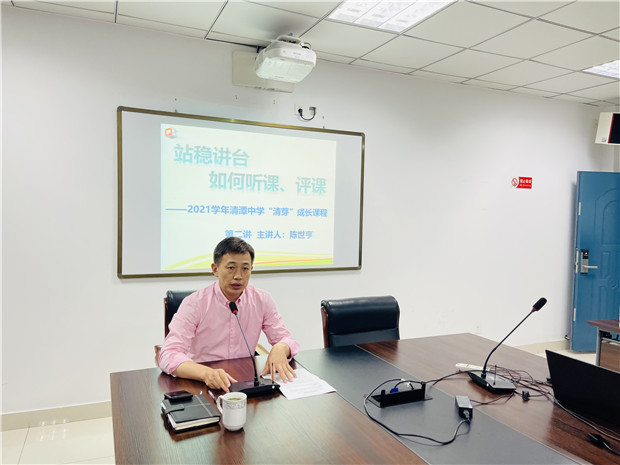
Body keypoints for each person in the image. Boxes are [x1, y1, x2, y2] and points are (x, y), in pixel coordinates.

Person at [158, 237, 299, 392]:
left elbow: (286, 339)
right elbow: (168, 354)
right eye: (231, 267)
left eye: (245, 268)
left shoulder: (262, 300)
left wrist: (280, 348)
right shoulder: (194, 303)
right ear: (215, 269)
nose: (238, 276)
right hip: (201, 383)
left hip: (244, 382)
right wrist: (205, 373)